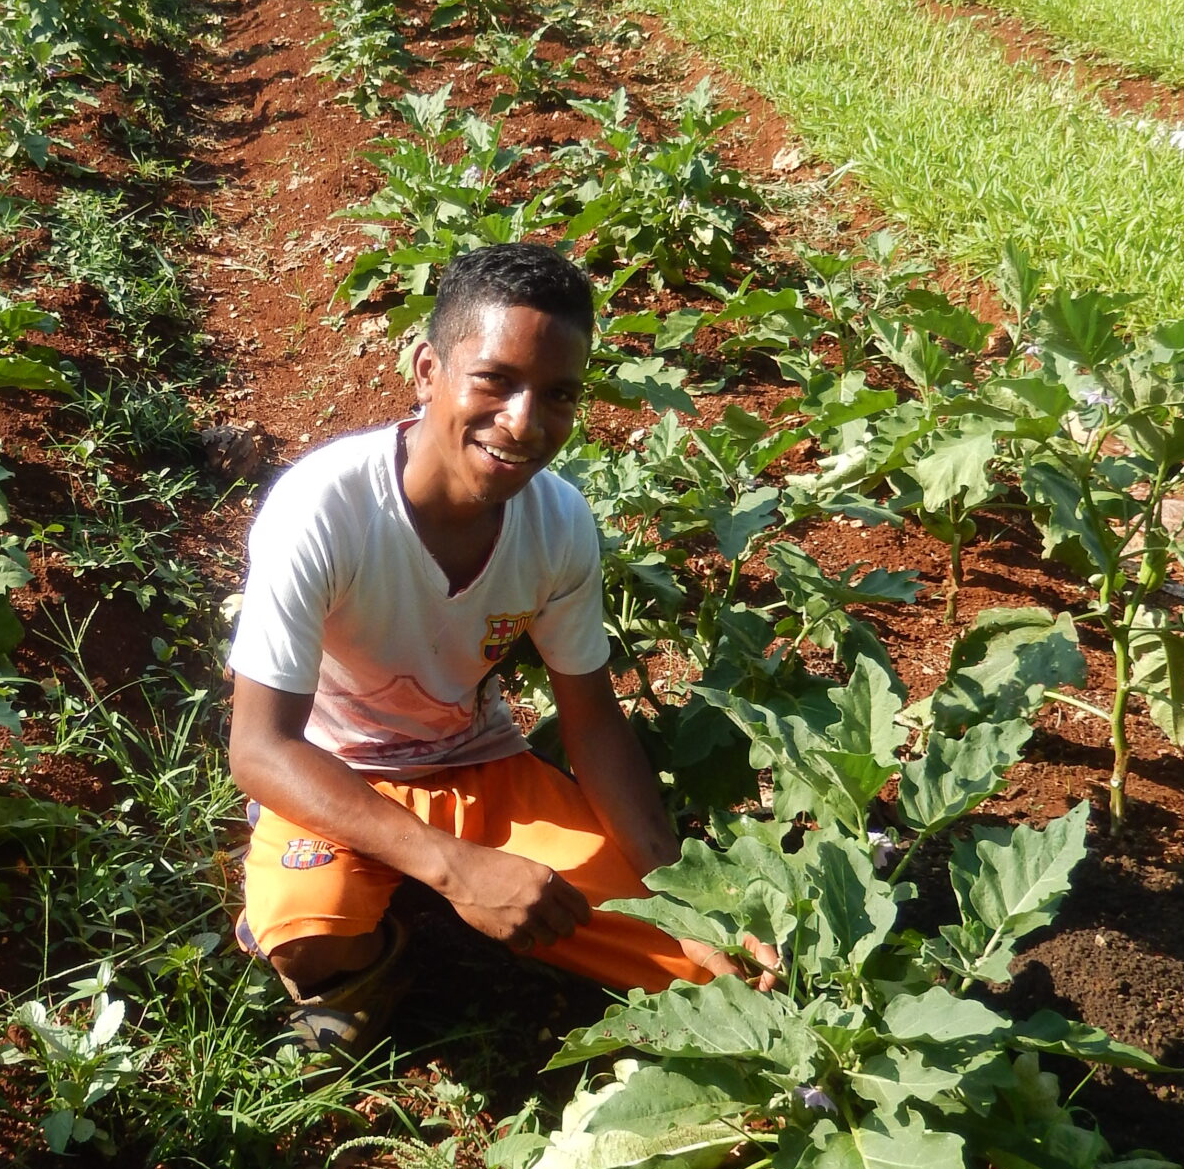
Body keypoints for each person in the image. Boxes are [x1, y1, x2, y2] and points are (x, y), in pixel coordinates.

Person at [227, 240, 777, 1052]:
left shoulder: (557, 524)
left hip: (480, 768)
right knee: (313, 942)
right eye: (496, 380)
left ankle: (458, 889)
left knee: (708, 969)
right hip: (336, 775)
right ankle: (387, 937)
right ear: (426, 370)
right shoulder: (324, 508)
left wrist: (686, 894)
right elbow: (261, 746)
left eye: (557, 395)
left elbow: (591, 722)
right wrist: (456, 869)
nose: (524, 423)